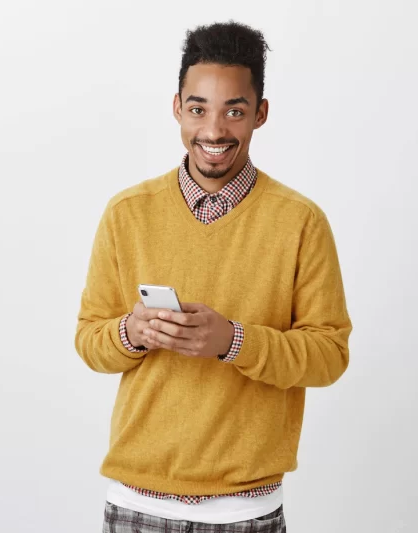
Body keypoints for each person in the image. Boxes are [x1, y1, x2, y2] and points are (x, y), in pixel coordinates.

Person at [74, 20, 352, 533]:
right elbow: (90, 341)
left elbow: (331, 354)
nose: (214, 130)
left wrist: (234, 341)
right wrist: (131, 333)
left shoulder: (300, 222)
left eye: (234, 111)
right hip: (137, 503)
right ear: (177, 107)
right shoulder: (127, 213)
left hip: (245, 509)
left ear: (260, 114)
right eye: (199, 108)